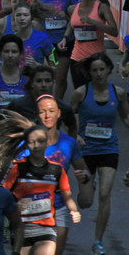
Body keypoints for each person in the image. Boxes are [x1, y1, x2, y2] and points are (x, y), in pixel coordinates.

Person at [68, 53, 129, 254]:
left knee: (105, 194)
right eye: (94, 70)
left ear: (109, 69)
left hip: (109, 149)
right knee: (86, 202)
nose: (99, 73)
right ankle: (88, 186)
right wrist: (75, 135)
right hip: (86, 151)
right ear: (89, 73)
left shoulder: (118, 93)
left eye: (102, 69)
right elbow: (69, 118)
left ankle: (98, 241)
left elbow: (126, 117)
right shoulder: (80, 93)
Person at [0, 124, 81, 255]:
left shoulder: (56, 170)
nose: (36, 146)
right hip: (21, 228)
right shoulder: (17, 168)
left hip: (46, 228)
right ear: (26, 145)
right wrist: (14, 205)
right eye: (32, 142)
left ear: (47, 143)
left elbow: (67, 196)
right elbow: (1, 195)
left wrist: (74, 210)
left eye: (40, 141)